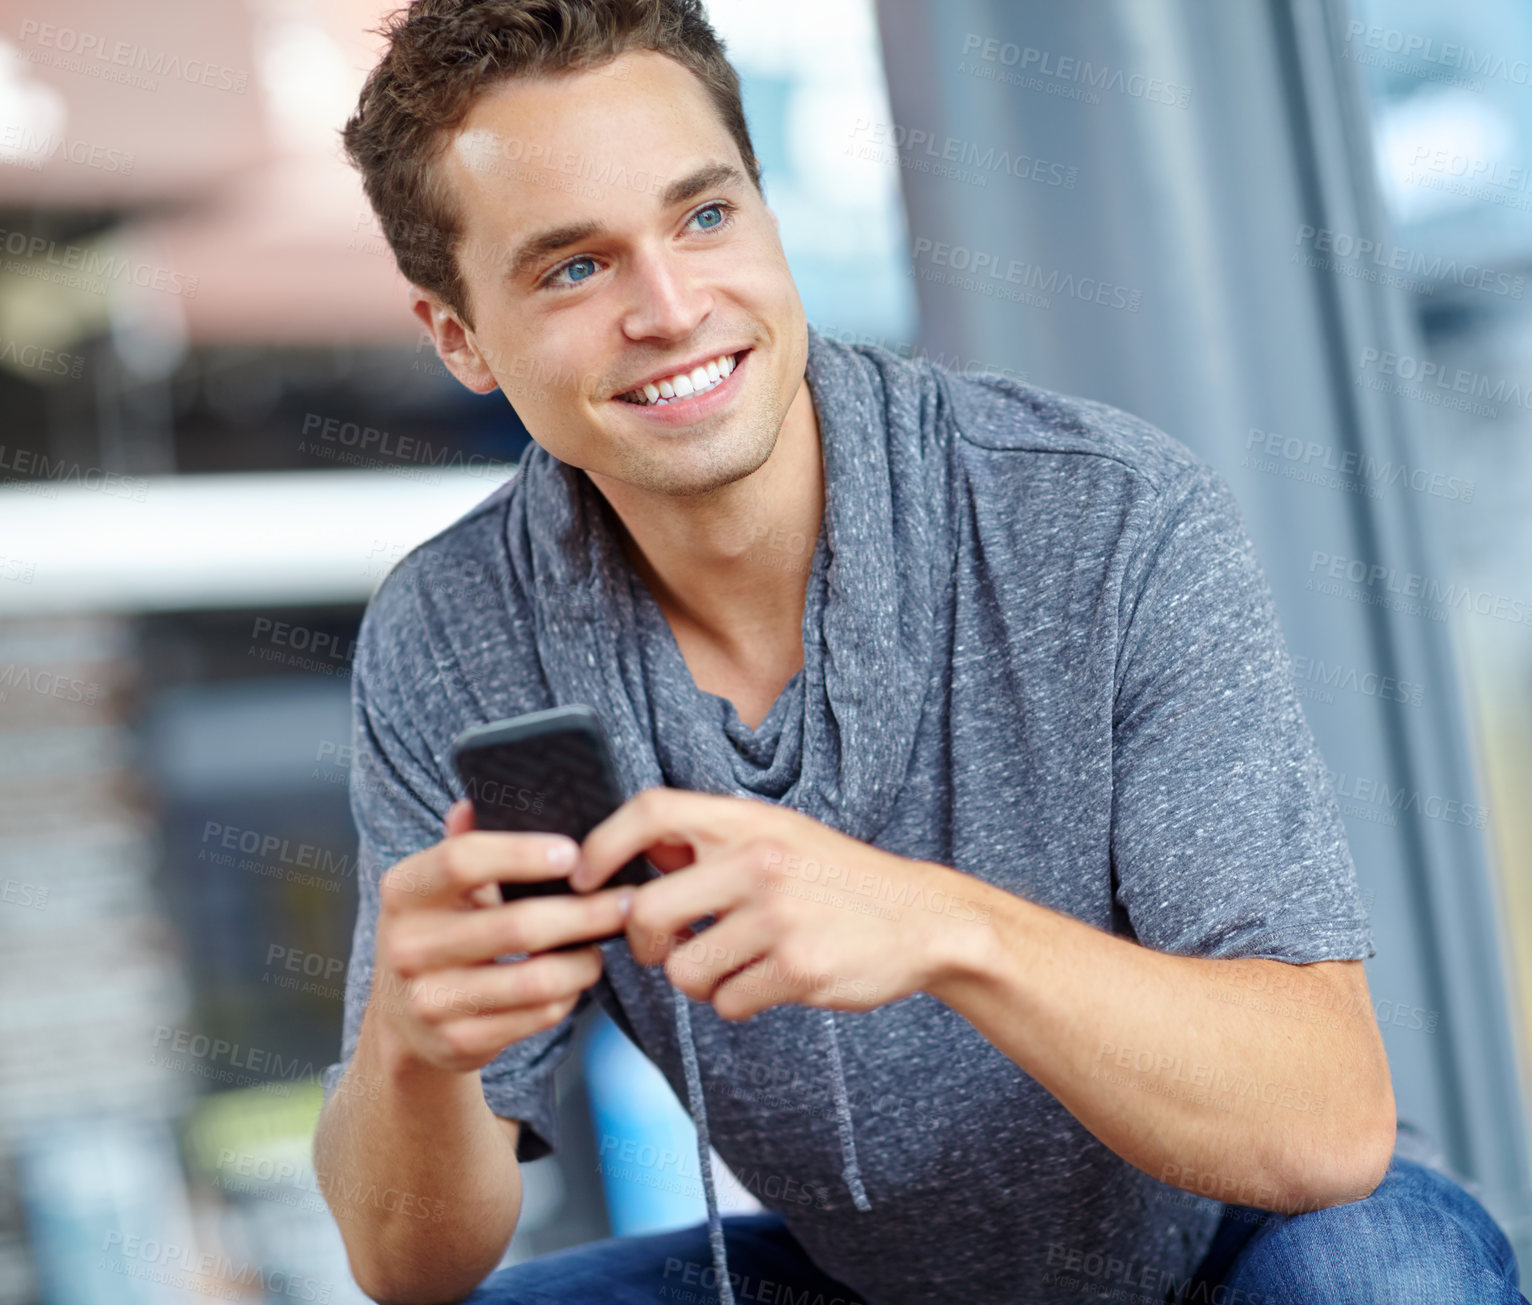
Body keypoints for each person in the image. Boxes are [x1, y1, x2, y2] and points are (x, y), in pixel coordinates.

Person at [313, 1, 1528, 1302]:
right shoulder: (452, 635)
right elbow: (407, 1261)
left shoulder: (1098, 509)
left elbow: (1325, 1120)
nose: (670, 306)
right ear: (456, 335)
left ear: (768, 215)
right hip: (867, 1279)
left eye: (705, 217)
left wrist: (938, 925)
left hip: (1245, 1235)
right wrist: (416, 1046)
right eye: (573, 268)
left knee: (1386, 1276)